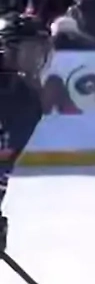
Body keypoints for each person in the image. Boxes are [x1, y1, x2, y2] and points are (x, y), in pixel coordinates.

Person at [0, 14, 53, 255]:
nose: (37, 59)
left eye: (40, 51)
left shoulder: (27, 103)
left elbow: (3, 163)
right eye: (31, 50)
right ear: (7, 50)